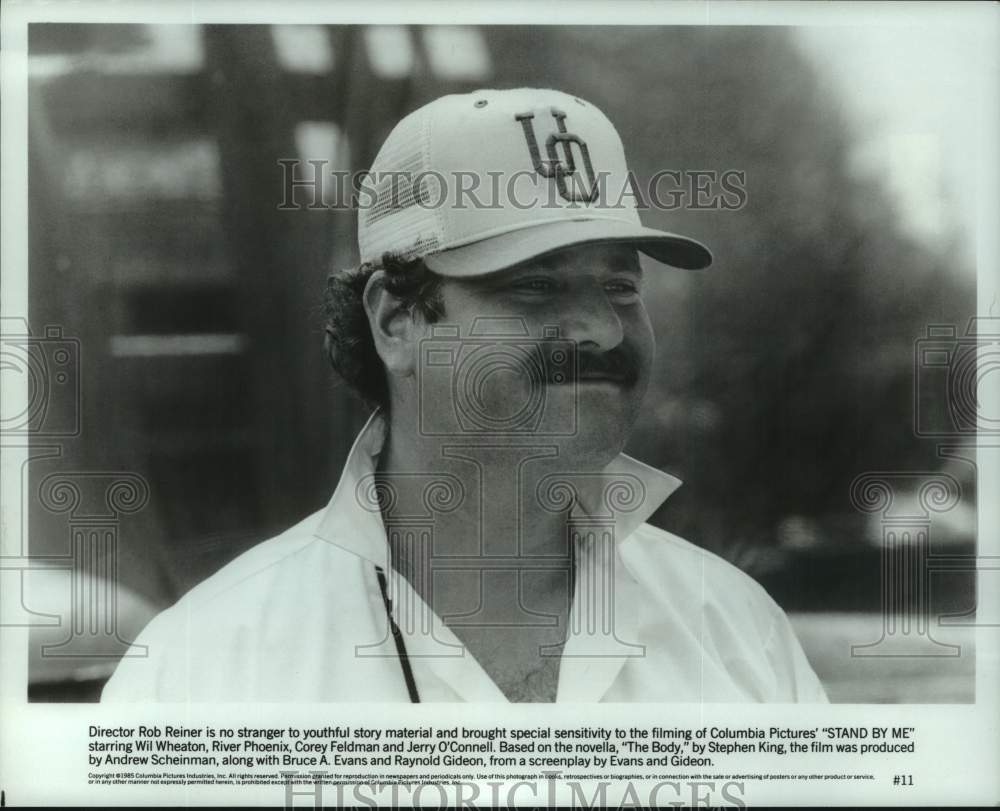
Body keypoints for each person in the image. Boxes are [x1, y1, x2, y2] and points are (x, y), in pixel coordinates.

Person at [102, 87, 827, 703]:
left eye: (621, 286)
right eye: (535, 285)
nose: (603, 330)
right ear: (396, 318)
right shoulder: (204, 665)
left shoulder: (737, 632)